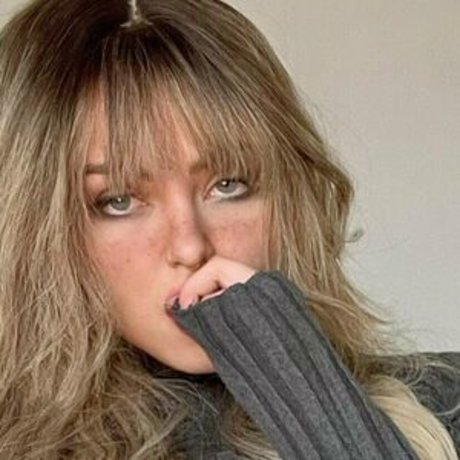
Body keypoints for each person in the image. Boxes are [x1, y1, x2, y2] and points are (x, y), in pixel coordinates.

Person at [0, 0, 458, 458]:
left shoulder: (441, 406)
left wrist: (301, 384)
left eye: (228, 185)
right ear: (35, 228)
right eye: (118, 200)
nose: (190, 247)